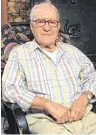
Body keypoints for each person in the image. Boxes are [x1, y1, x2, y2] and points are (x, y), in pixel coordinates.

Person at [2, 1, 96, 134]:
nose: (47, 28)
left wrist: (84, 98)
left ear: (58, 26)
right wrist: (46, 104)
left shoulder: (72, 51)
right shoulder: (19, 53)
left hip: (84, 118)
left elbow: (92, 76)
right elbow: (9, 89)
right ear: (32, 26)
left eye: (52, 22)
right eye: (41, 22)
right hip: (45, 121)